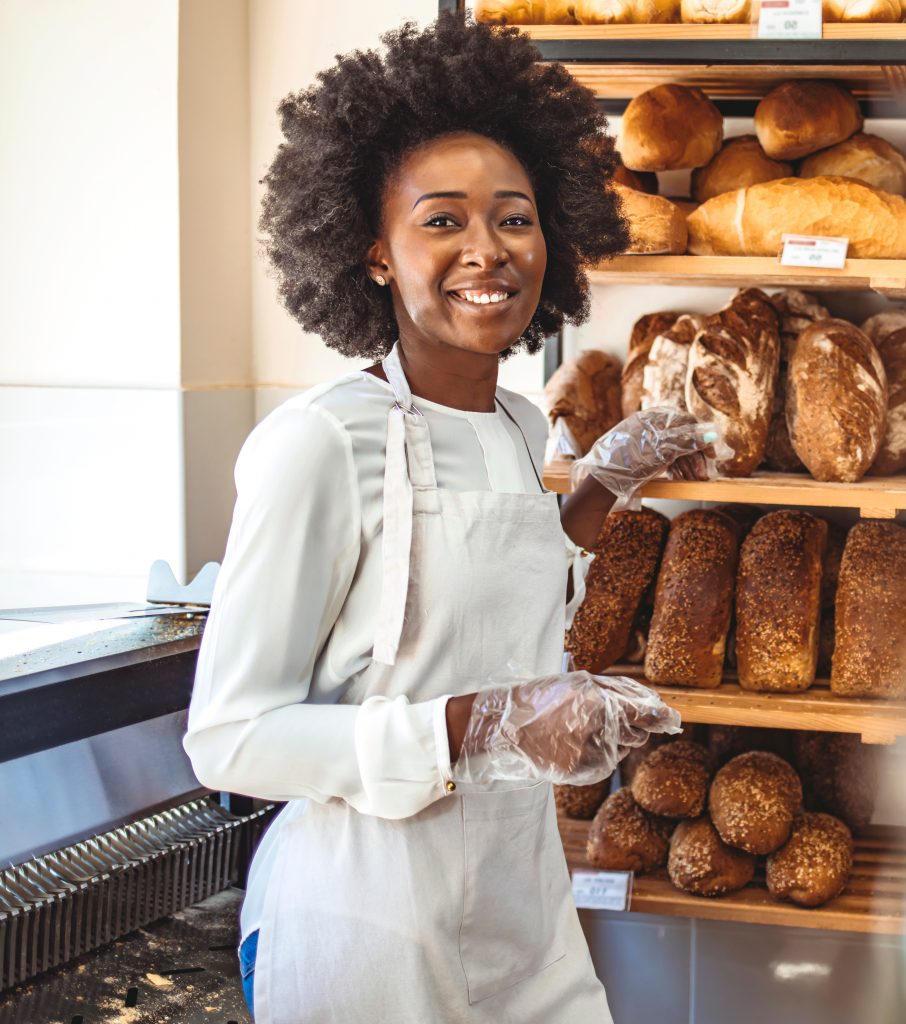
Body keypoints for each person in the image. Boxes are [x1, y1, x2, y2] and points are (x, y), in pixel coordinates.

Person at [184, 14, 699, 1023]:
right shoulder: (323, 444)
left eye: (514, 218)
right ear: (373, 253)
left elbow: (511, 590)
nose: (487, 251)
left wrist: (607, 478)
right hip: (367, 925)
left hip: (518, 904)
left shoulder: (514, 422)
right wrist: (482, 722)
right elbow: (230, 737)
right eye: (442, 222)